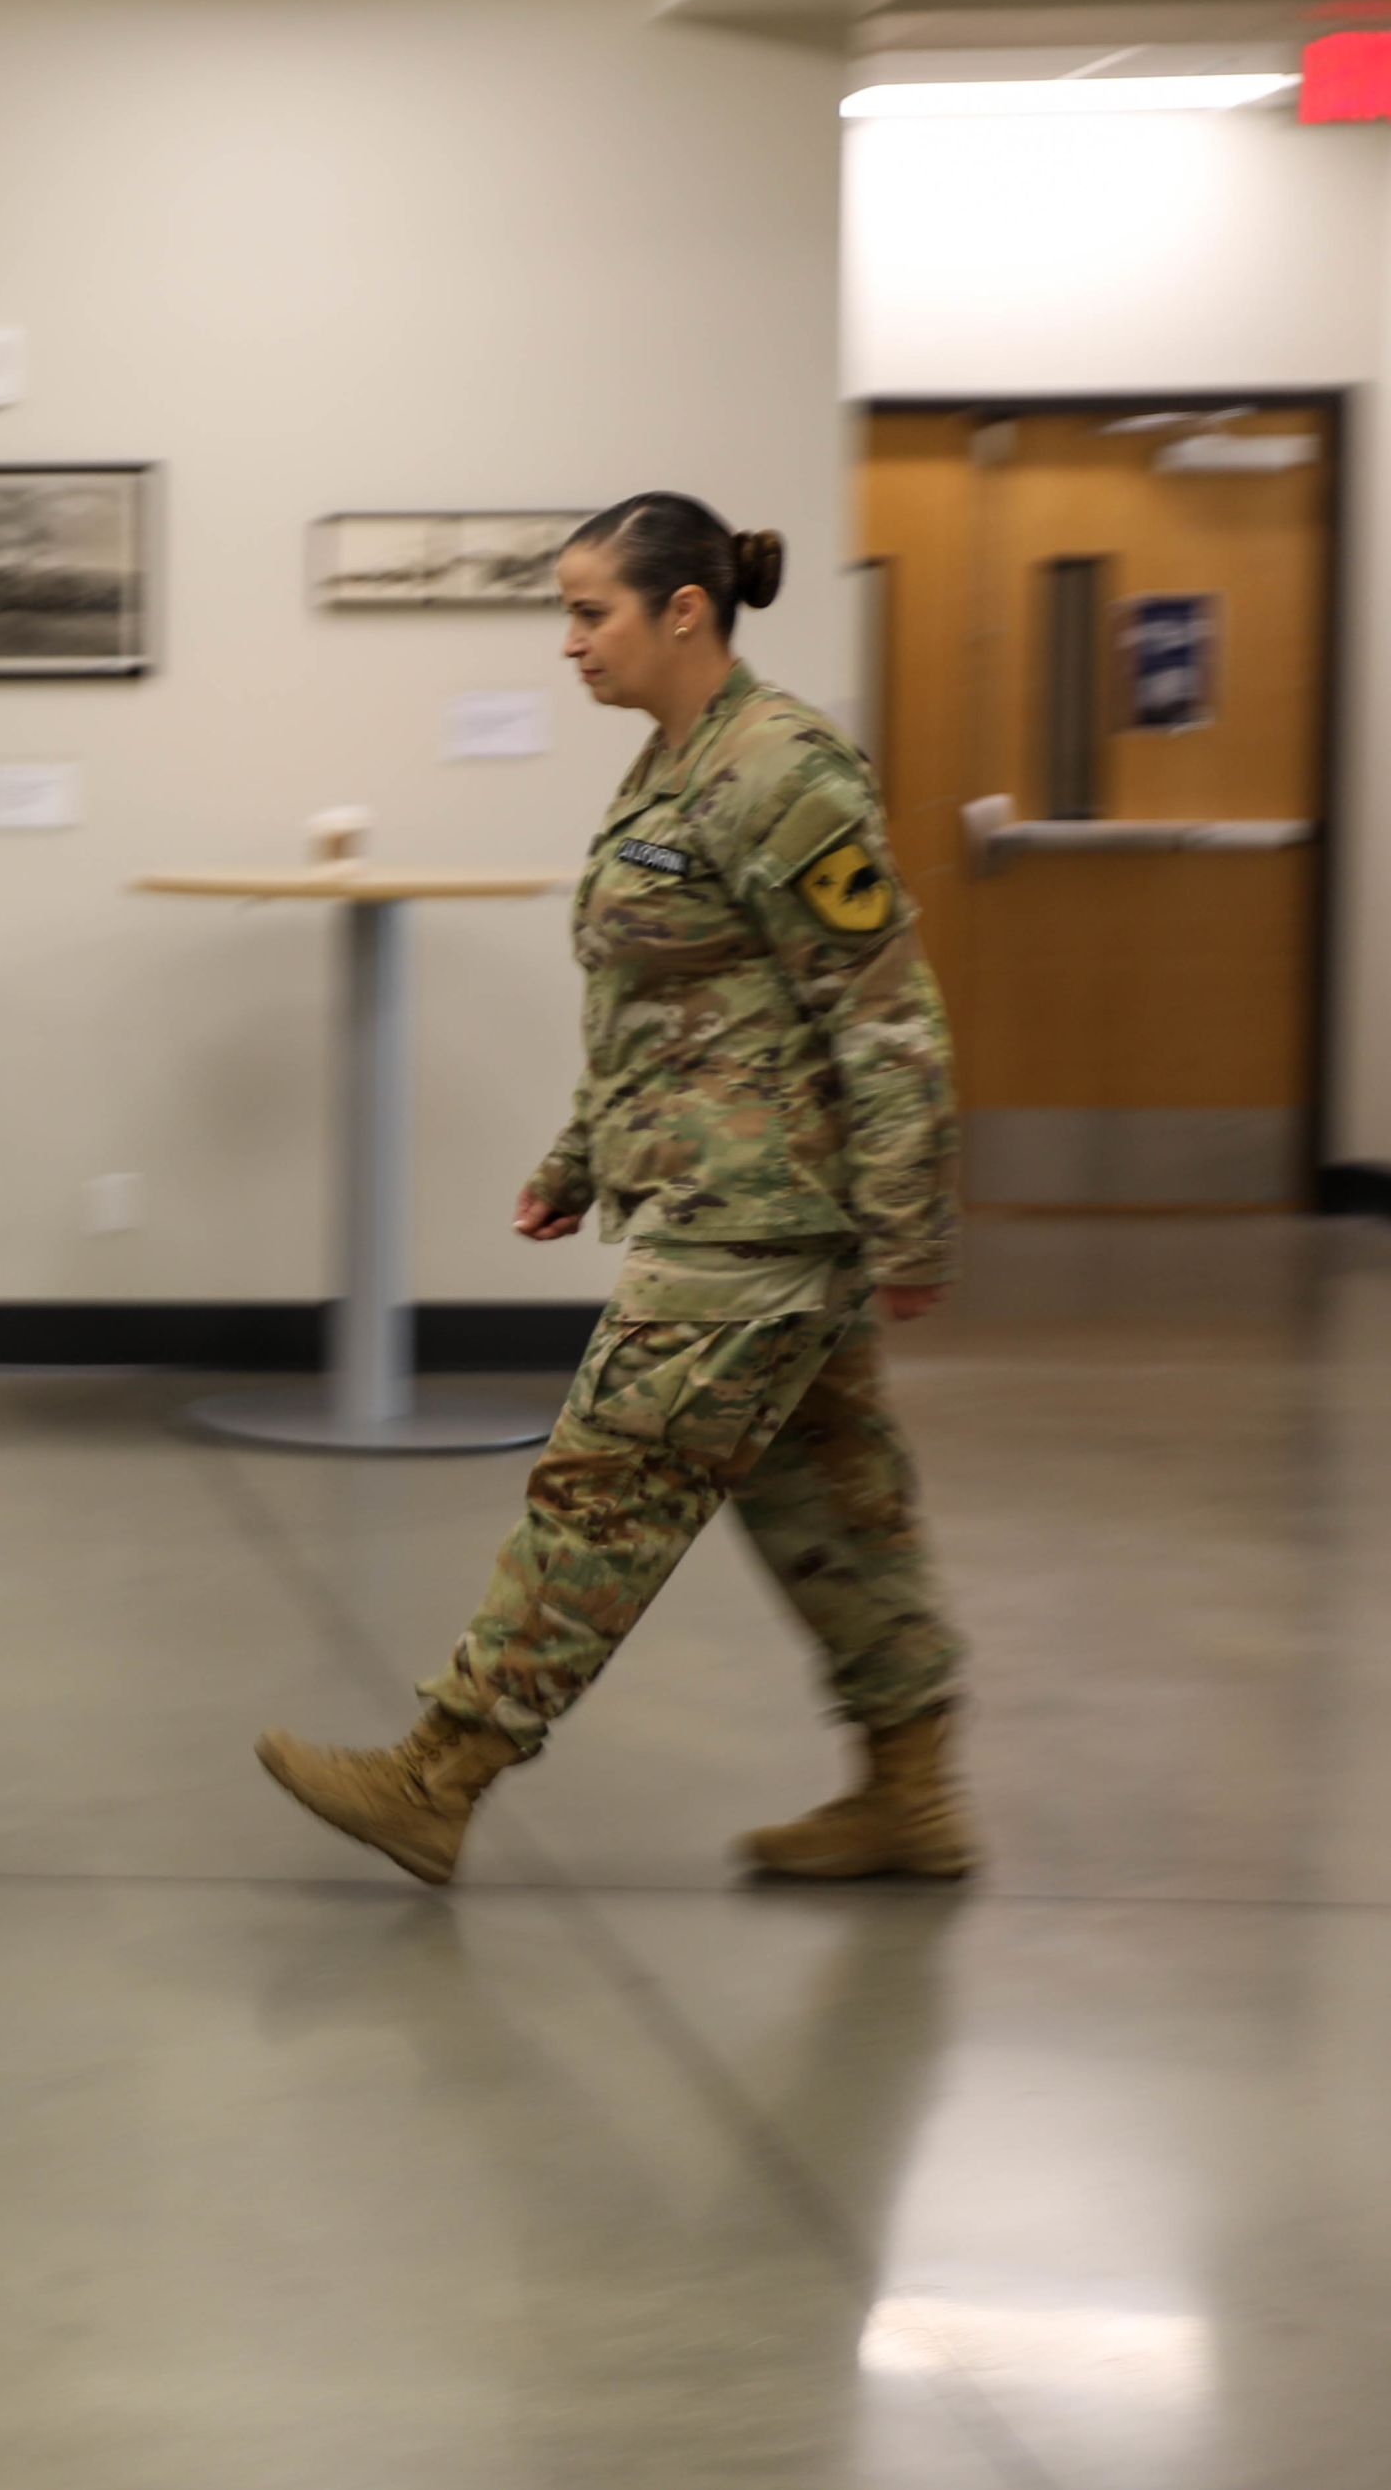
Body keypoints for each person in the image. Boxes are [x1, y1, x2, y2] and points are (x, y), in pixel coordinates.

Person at [257, 492, 974, 1887]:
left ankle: (439, 1773)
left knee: (606, 1484)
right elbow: (663, 998)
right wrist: (576, 1161)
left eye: (592, 611)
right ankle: (913, 1789)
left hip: (757, 1222)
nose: (570, 641)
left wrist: (913, 1218)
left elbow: (887, 1010)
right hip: (717, 1196)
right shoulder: (672, 765)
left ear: (684, 611)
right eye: (569, 612)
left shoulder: (783, 770)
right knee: (836, 1502)